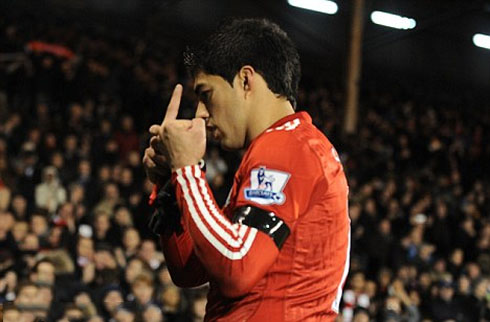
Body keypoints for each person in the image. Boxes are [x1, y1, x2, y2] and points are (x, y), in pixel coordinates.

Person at [143, 18, 350, 321]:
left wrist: (187, 170)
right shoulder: (290, 145)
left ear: (245, 80)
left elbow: (236, 267)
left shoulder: (286, 147)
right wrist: (170, 185)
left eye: (206, 95)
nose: (201, 114)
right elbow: (191, 269)